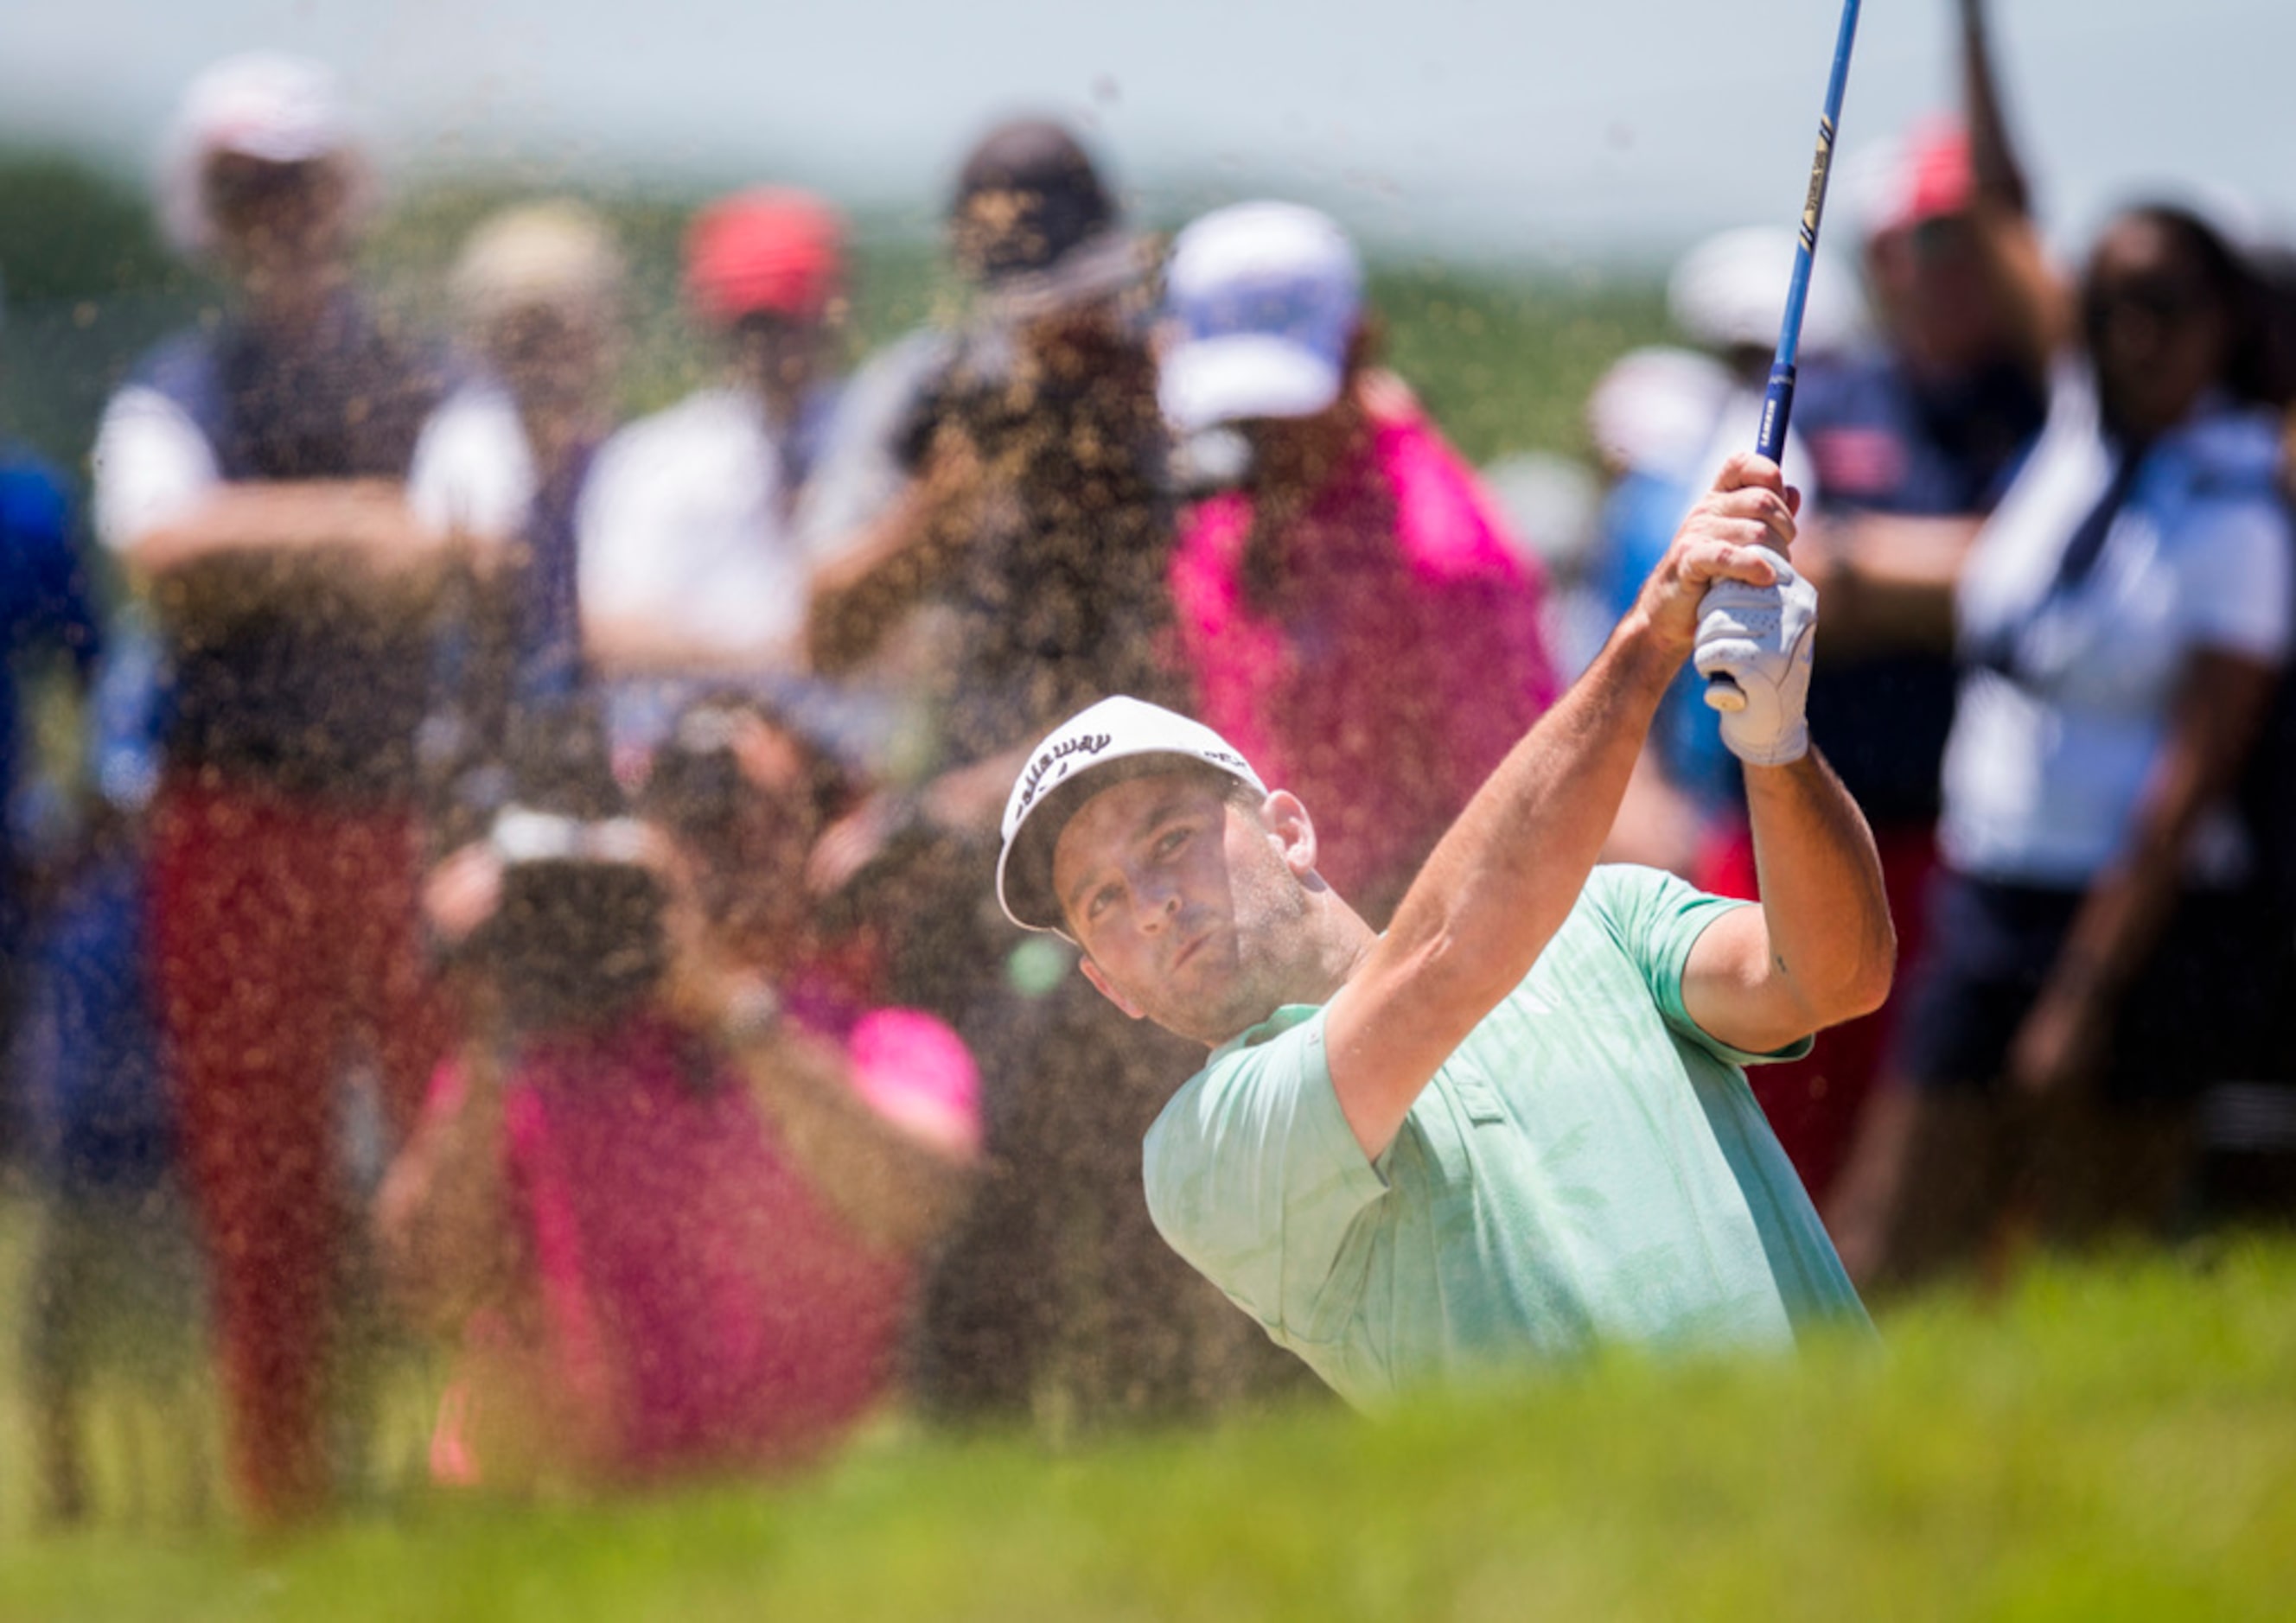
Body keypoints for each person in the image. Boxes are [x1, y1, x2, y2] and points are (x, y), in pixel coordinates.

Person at [994, 452, 1889, 1406]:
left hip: (1855, 1500)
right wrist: (1646, 640)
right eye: (1101, 904)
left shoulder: (1604, 916)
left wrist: (1775, 747)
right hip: (1623, 1558)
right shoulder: (1202, 1156)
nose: (1150, 901)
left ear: (1286, 829)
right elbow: (1448, 960)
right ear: (1109, 986)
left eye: (1170, 838)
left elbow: (1831, 977)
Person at [810, 118, 1305, 1427]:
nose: (1058, 337)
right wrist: (950, 500)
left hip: (1152, 838)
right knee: (984, 1170)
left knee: (1152, 1192)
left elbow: (1232, 635)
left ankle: (1151, 1452)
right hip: (973, 855)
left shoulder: (1179, 392)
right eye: (1031, 309)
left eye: (1076, 302)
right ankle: (972, 1454)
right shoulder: (936, 400)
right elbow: (829, 628)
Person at [87, 54, 517, 1522]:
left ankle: (499, 1448)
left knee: (455, 1130)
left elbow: (458, 547)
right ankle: (286, 1494)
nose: (276, 213)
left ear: (342, 199)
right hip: (233, 826)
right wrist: (360, 521)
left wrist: (257, 539)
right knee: (257, 1172)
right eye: (246, 189)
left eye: (296, 184)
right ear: (213, 211)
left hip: (398, 816)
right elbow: (163, 553)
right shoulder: (177, 385)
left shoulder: (424, 376)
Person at [1822, 0, 2296, 1288]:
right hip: (1993, 886)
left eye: (2168, 306)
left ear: (2226, 325)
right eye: (2114, 301)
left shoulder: (2241, 506)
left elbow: (2189, 777)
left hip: (2143, 921)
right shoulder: (2084, 425)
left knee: (2093, 1258)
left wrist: (2084, 989)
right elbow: (1998, 202)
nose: (2134, 331)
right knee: (1887, 1239)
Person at [379, 721, 977, 1490]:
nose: (717, 848)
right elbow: (426, 1288)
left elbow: (920, 1199)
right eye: (685, 819)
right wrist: (499, 1023)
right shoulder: (544, 1049)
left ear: (815, 845)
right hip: (559, 1541)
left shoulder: (882, 1042)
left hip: (809, 1532)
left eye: (754, 818)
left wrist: (733, 1013)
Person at [1754, 0, 2052, 1205]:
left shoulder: (2044, 399)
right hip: (1826, 818)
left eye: (1972, 240)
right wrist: (1962, 566)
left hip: (1975, 840)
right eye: (1927, 239)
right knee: (1801, 1141)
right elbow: (1798, 570)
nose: (1952, 267)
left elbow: (2011, 578)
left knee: (1943, 1173)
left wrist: (1879, 567)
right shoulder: (1832, 395)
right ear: (1878, 257)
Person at [1159, 201, 1558, 928]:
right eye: (1237, 412)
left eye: (1280, 408)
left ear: (1360, 346)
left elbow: (1527, 822)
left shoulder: (1444, 558)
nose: (1258, 435)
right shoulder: (1225, 506)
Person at [576, 187, 850, 735]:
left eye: (787, 323)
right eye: (753, 326)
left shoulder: (874, 437)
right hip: (686, 764)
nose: (772, 349)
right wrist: (783, 657)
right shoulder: (654, 457)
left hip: (844, 766)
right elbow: (613, 635)